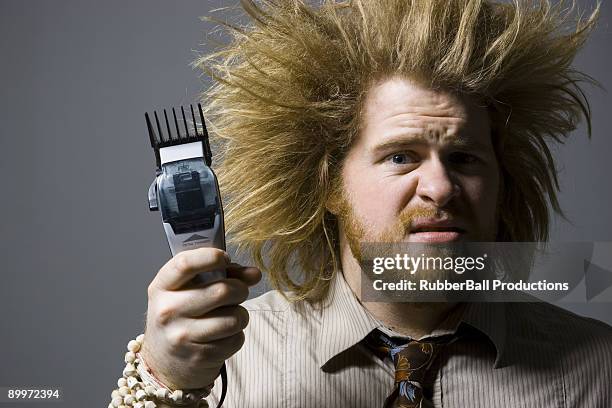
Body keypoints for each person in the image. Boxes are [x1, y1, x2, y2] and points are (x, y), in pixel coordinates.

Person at [111, 1, 612, 407]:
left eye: (464, 158)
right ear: (329, 184)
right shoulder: (225, 362)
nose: (440, 186)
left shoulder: (599, 369)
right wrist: (164, 383)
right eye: (400, 156)